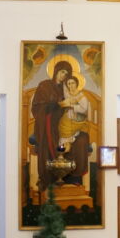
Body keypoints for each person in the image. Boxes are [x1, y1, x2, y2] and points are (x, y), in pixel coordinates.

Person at [31, 60, 72, 190]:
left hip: (59, 123)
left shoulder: (65, 89)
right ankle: (46, 179)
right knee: (48, 147)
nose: (63, 75)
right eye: (62, 72)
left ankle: (64, 178)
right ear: (56, 71)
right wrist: (55, 104)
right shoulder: (44, 85)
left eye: (66, 74)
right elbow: (37, 106)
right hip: (45, 122)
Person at [57, 74, 90, 185]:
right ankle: (61, 167)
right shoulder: (67, 95)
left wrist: (72, 106)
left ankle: (74, 175)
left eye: (72, 83)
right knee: (62, 136)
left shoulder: (81, 96)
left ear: (77, 84)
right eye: (69, 84)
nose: (71, 85)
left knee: (75, 140)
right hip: (66, 121)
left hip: (77, 124)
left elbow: (84, 109)